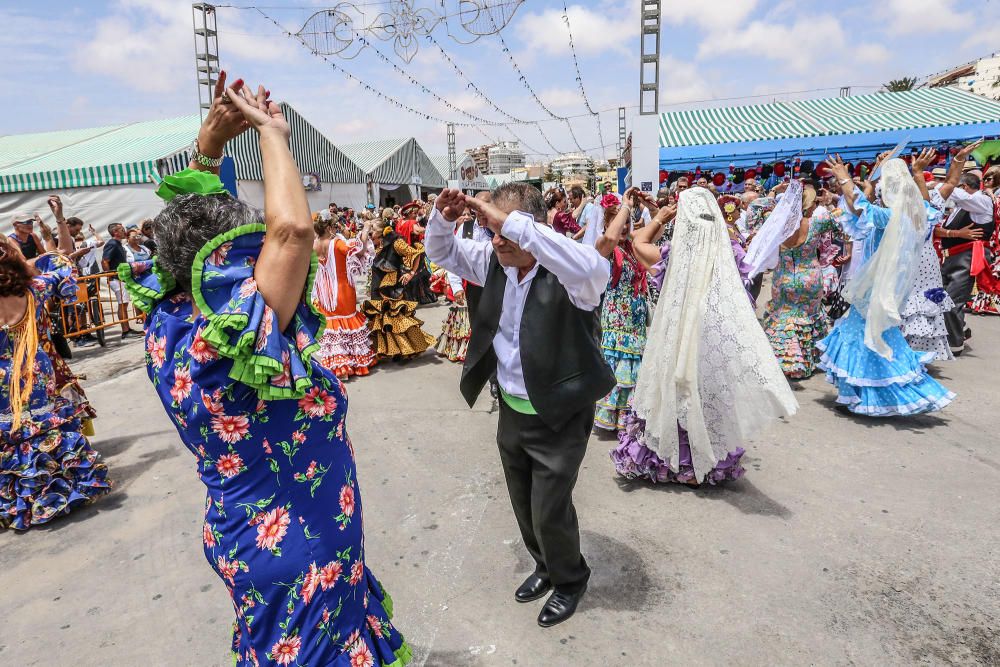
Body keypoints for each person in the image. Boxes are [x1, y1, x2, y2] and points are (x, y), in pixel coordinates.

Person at [121, 74, 409, 666]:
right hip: (299, 544)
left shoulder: (165, 319)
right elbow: (293, 230)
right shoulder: (234, 340)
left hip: (242, 531)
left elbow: (184, 238)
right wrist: (273, 134)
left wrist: (207, 147)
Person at [426, 184, 614, 628]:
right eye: (491, 227)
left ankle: (570, 579)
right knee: (523, 502)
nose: (496, 238)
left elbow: (594, 266)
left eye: (505, 228)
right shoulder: (493, 260)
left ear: (533, 227)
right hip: (511, 407)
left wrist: (508, 223)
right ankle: (545, 566)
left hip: (560, 413)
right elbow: (440, 250)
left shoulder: (573, 274)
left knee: (550, 508)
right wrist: (443, 217)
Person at [612, 186, 796, 485]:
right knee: (706, 398)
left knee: (671, 395)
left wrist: (659, 216)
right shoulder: (729, 257)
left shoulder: (672, 257)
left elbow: (638, 242)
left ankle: (669, 462)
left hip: (673, 342)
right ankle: (704, 463)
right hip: (711, 342)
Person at [817, 156, 954, 416]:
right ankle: (863, 391)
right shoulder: (917, 215)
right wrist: (917, 173)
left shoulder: (888, 216)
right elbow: (923, 203)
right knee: (874, 334)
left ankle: (876, 391)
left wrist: (843, 176)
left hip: (875, 289)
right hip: (890, 288)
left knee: (868, 336)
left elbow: (859, 207)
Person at [0, 220, 111, 530]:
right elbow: (61, 264)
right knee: (45, 424)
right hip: (36, 369)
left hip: (3, 379)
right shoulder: (35, 289)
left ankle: (20, 501)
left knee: (11, 432)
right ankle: (65, 489)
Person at [748, 180, 839, 379]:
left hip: (784, 277)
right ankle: (807, 361)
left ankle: (787, 362)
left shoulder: (776, 224)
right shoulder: (819, 221)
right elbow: (843, 222)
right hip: (810, 276)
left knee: (784, 317)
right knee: (808, 317)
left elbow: (753, 210)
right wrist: (832, 200)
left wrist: (774, 192)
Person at [593, 191, 648, 434]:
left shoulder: (632, 245)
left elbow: (654, 236)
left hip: (635, 321)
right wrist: (625, 207)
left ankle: (629, 417)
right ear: (607, 224)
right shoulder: (604, 246)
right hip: (617, 321)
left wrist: (650, 209)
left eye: (627, 222)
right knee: (620, 367)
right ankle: (614, 418)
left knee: (633, 367)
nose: (624, 227)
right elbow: (610, 238)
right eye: (619, 222)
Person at [936, 141, 994, 355]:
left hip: (967, 257)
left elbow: (956, 195)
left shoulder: (981, 202)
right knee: (939, 296)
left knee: (951, 299)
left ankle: (955, 343)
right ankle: (960, 328)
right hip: (952, 257)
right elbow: (939, 230)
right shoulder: (959, 207)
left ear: (965, 187)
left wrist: (943, 183)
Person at [311, 215, 377, 379]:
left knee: (332, 326)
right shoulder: (336, 243)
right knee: (348, 323)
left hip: (323, 292)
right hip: (342, 290)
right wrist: (366, 230)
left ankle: (338, 367)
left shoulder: (313, 245)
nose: (336, 229)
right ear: (328, 228)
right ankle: (352, 364)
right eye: (334, 226)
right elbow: (360, 250)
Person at [362, 218, 436, 361]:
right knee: (383, 320)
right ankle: (392, 350)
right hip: (378, 287)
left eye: (372, 234)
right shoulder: (377, 245)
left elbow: (415, 253)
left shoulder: (396, 243)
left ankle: (407, 349)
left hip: (393, 288)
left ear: (380, 233)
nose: (370, 237)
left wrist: (411, 273)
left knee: (397, 321)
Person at [969, 166, 1000, 315]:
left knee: (992, 271)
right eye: (984, 178)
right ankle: (982, 303)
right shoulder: (986, 195)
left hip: (995, 237)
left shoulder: (994, 196)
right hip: (991, 237)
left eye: (989, 178)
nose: (985, 181)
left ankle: (985, 302)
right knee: (988, 271)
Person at [102, 222, 140, 339]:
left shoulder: (117, 243)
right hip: (116, 279)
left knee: (124, 303)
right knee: (122, 304)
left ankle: (127, 329)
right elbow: (105, 261)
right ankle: (125, 331)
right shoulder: (112, 243)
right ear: (115, 232)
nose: (124, 231)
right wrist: (110, 276)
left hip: (120, 278)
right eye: (122, 229)